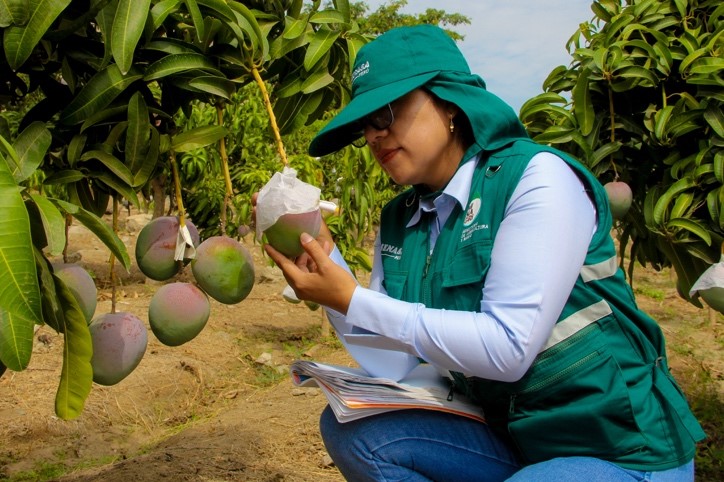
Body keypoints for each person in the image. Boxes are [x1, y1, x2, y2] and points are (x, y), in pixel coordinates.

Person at [263, 25, 705, 481]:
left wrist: (352, 298)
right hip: (516, 440)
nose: (374, 135)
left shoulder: (536, 179)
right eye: (365, 126)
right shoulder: (402, 218)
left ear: (450, 102)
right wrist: (331, 279)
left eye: (387, 113)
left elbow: (508, 348)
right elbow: (396, 361)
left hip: (616, 447)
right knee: (355, 432)